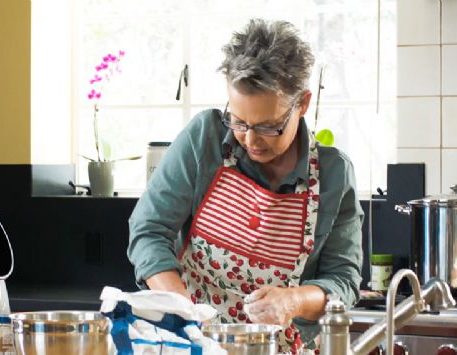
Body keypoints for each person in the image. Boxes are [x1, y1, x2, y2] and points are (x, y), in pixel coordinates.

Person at [127, 18, 363, 354]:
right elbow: (148, 231)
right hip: (191, 343)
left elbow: (343, 282)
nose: (250, 141)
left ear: (303, 103)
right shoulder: (204, 139)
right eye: (238, 121)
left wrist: (294, 300)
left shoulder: (334, 174)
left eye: (268, 127)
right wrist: (183, 308)